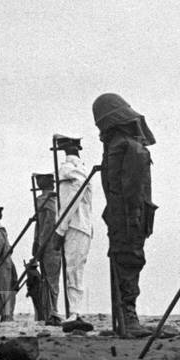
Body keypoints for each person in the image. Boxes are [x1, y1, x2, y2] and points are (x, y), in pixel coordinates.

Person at [92, 92, 157, 339]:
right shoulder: (129, 146)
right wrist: (133, 219)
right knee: (130, 261)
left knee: (123, 262)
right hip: (130, 216)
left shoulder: (116, 146)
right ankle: (128, 320)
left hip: (121, 216)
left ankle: (124, 319)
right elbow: (132, 189)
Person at [54, 135, 95, 333]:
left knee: (73, 270)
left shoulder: (68, 169)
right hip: (81, 226)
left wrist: (60, 229)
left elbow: (71, 201)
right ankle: (74, 312)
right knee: (75, 269)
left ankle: (75, 313)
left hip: (75, 225)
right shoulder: (81, 168)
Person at [32, 175, 62, 326]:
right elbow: (41, 224)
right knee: (49, 279)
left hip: (49, 244)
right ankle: (48, 312)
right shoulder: (47, 200)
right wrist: (36, 242)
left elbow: (48, 224)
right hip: (47, 244)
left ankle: (52, 312)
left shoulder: (49, 201)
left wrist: (39, 244)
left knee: (51, 279)